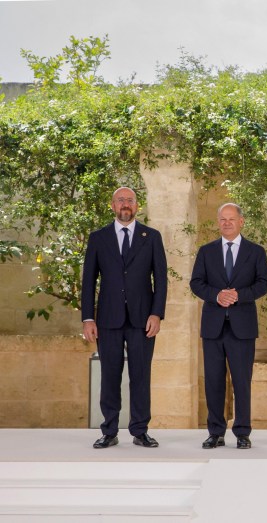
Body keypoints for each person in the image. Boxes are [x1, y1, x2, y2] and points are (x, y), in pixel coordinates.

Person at [81, 187, 167, 449]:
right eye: (120, 200)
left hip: (143, 320)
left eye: (129, 200)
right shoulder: (99, 238)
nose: (125, 204)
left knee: (141, 375)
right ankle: (109, 430)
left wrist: (156, 313)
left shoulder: (151, 237)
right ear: (112, 205)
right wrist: (88, 318)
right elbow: (88, 281)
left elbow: (161, 279)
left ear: (136, 205)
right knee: (110, 375)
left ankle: (140, 431)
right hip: (108, 319)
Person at [189, 203, 267, 449]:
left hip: (242, 327)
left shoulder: (255, 252)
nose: (226, 223)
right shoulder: (206, 251)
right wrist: (216, 295)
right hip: (213, 326)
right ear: (218, 222)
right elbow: (196, 283)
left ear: (241, 221)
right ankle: (216, 432)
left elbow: (263, 284)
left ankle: (243, 432)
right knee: (213, 380)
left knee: (242, 380)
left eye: (231, 219)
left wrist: (238, 295)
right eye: (222, 219)